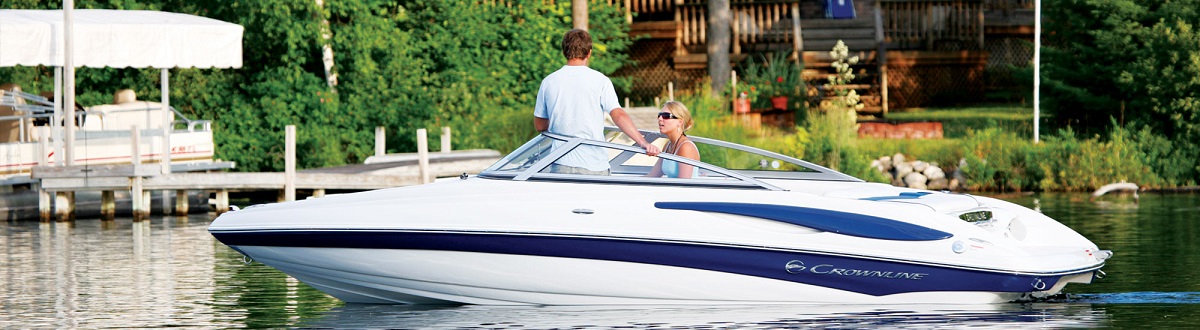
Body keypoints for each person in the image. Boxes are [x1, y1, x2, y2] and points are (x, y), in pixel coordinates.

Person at [534, 28, 659, 175]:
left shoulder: (549, 82)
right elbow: (618, 115)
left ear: (564, 52)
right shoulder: (601, 81)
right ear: (589, 52)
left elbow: (540, 125)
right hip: (594, 164)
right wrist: (643, 143)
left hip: (561, 163)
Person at [646, 101, 700, 179]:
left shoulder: (686, 147)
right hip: (672, 189)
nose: (660, 119)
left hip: (682, 190)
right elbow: (653, 176)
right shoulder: (668, 145)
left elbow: (684, 184)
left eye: (666, 116)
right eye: (659, 115)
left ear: (680, 122)